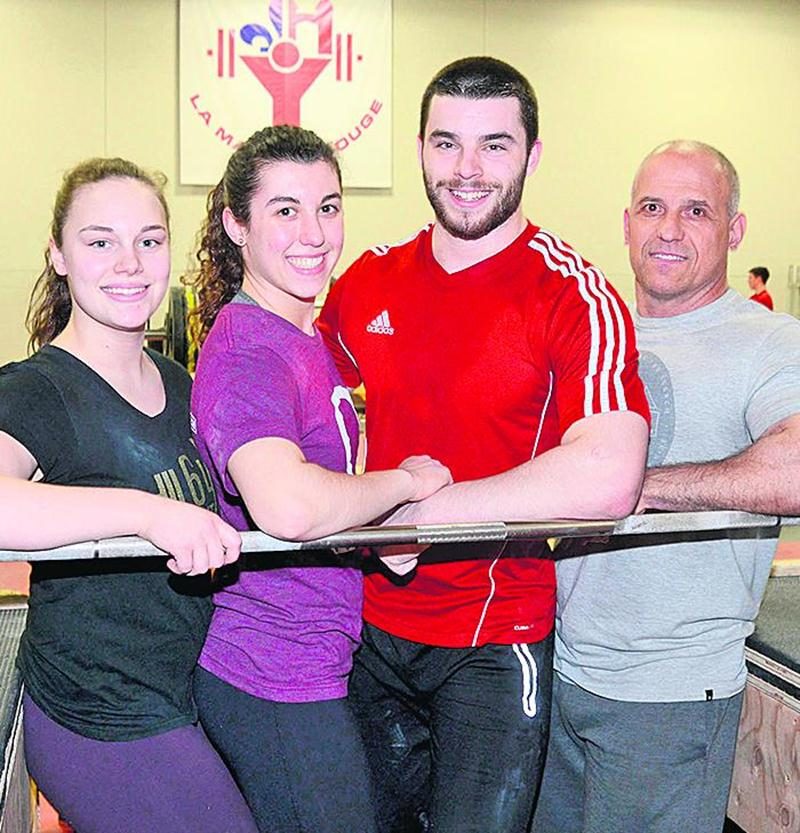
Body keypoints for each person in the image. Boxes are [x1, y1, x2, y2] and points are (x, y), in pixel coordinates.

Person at [318, 57, 650, 833]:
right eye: (446, 144)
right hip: (362, 629)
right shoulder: (364, 282)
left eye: (494, 146)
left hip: (492, 641)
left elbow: (609, 475)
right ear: (420, 150)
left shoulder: (574, 292)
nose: (466, 170)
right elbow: (303, 418)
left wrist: (416, 512)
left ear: (533, 155)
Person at [186, 125, 452, 833]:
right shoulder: (248, 351)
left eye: (328, 207)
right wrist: (402, 482)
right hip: (268, 672)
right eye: (284, 210)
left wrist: (370, 534)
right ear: (236, 224)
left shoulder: (302, 338)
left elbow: (321, 497)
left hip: (315, 661)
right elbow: (289, 504)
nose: (313, 233)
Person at [534, 141, 800, 833]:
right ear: (626, 223)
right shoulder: (591, 333)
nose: (670, 229)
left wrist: (639, 484)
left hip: (670, 692)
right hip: (558, 669)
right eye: (653, 207)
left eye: (697, 211)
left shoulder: (769, 341)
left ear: (734, 230)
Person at [0, 158, 259, 833]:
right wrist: (148, 513)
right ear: (57, 254)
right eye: (99, 241)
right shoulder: (39, 388)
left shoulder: (178, 382)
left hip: (182, 694)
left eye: (148, 240)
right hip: (98, 714)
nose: (130, 262)